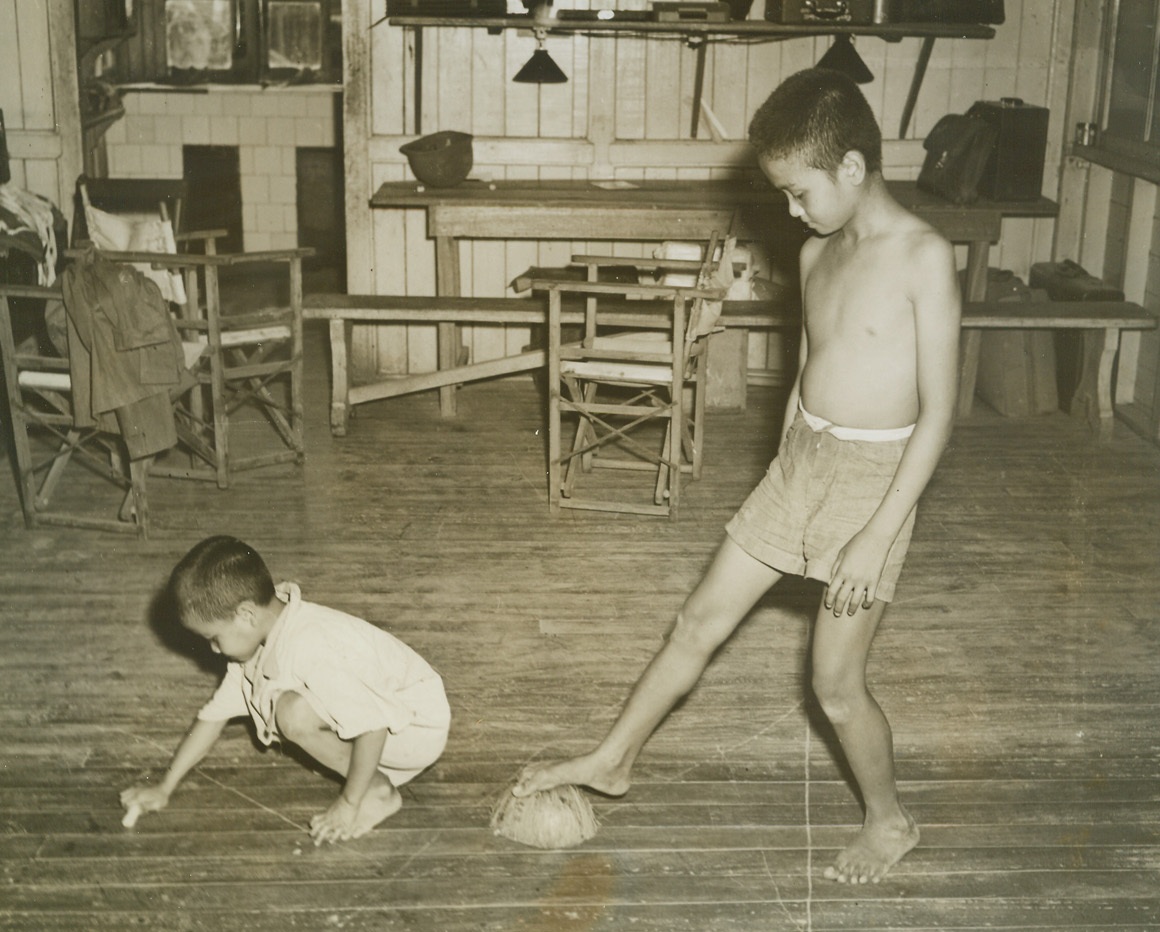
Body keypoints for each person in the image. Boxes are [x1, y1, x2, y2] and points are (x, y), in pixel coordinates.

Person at [514, 68, 961, 885]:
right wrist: (785, 461)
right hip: (803, 466)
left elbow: (936, 415)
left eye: (798, 192)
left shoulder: (924, 258)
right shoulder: (819, 247)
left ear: (852, 169)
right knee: (696, 622)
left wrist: (875, 535)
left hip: (876, 483)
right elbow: (808, 366)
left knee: (833, 684)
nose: (789, 211)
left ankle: (890, 820)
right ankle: (612, 759)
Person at [120, 535, 451, 846]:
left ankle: (377, 793)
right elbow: (213, 716)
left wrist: (348, 803)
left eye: (213, 637)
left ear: (246, 615)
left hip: (412, 729)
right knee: (289, 709)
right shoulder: (260, 639)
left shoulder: (312, 645)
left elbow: (374, 726)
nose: (214, 650)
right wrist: (165, 787)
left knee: (292, 714)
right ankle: (370, 781)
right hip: (391, 722)